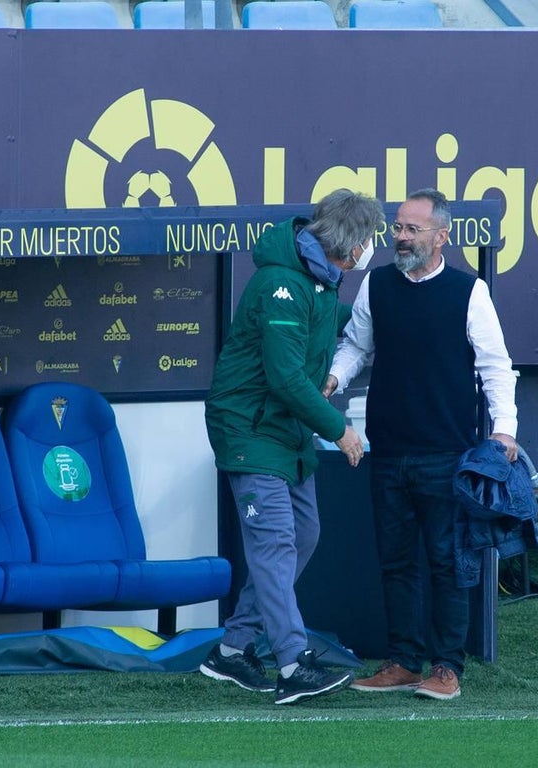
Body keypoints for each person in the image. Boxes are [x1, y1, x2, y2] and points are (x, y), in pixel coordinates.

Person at [324, 188, 518, 700]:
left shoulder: (469, 291)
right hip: (387, 451)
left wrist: (504, 430)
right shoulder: (377, 284)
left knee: (448, 564)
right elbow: (356, 346)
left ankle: (447, 667)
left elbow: (495, 365)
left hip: (447, 454)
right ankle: (404, 662)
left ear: (441, 236)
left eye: (413, 229)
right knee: (396, 563)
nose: (401, 237)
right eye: (398, 227)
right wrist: (334, 380)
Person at [201, 188, 383, 705]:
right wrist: (340, 429)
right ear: (349, 242)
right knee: (276, 543)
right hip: (251, 430)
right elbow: (284, 377)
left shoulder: (321, 281)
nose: (372, 248)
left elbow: (326, 339)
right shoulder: (282, 282)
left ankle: (233, 649)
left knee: (303, 533)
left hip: (286, 432)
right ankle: (291, 662)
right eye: (370, 238)